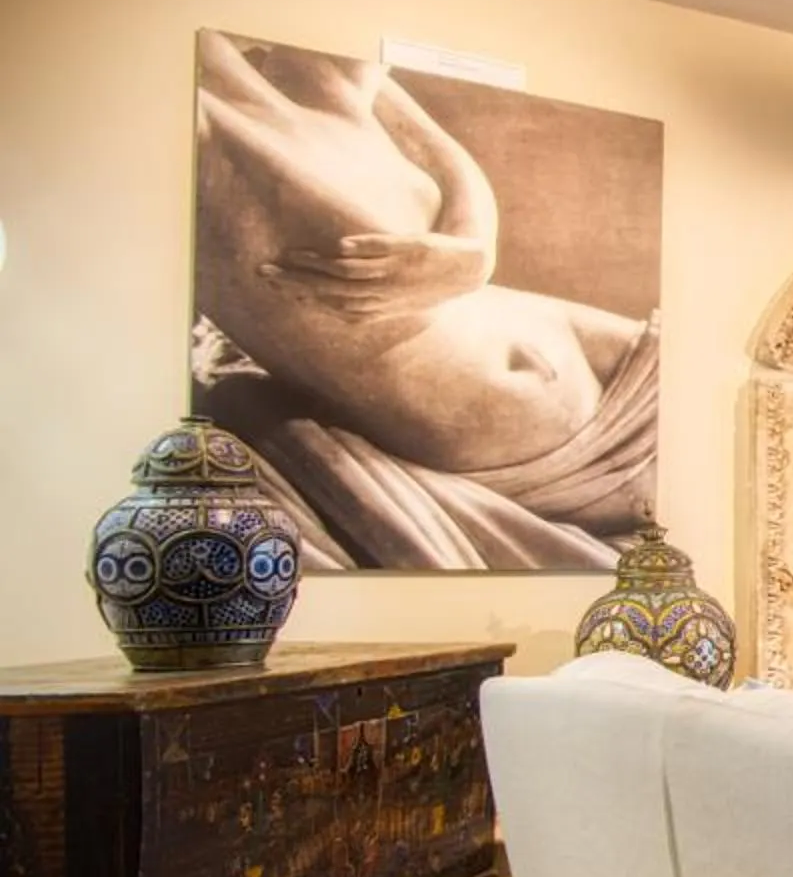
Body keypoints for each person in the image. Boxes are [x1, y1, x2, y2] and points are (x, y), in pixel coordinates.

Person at [192, 33, 656, 570]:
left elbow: (454, 171)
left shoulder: (343, 90)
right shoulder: (210, 122)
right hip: (550, 453)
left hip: (599, 351)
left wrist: (472, 257)